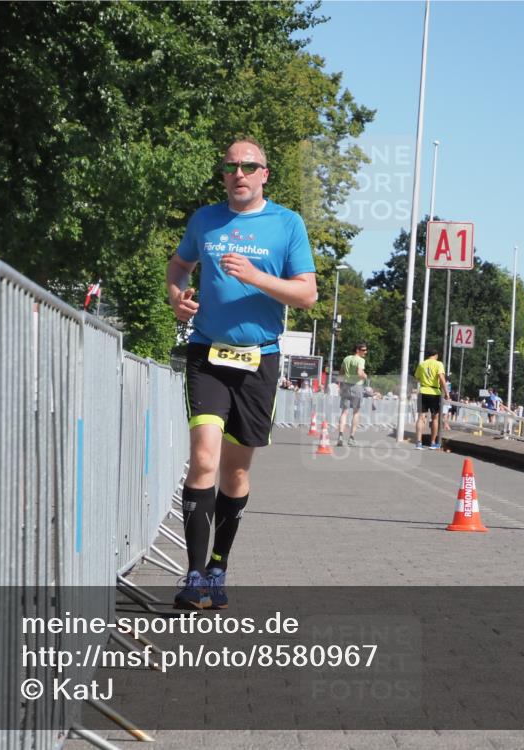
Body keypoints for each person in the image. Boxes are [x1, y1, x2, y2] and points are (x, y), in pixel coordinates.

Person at [166, 137, 317, 609]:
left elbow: (306, 295)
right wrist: (178, 297)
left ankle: (217, 566)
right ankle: (192, 576)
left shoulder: (287, 224)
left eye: (249, 166)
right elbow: (179, 265)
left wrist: (254, 277)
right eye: (231, 166)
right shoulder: (206, 219)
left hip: (259, 359)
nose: (239, 174)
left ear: (264, 174)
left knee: (234, 473)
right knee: (204, 459)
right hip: (207, 352)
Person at [414, 349, 447, 450]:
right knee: (435, 418)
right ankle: (432, 443)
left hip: (423, 391)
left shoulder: (422, 364)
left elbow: (417, 377)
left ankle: (419, 442)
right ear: (436, 355)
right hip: (434, 392)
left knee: (421, 417)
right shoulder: (438, 364)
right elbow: (441, 377)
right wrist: (446, 392)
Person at [337, 343, 368, 447]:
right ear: (357, 350)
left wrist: (340, 384)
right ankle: (351, 438)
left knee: (344, 411)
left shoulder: (346, 358)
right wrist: (365, 376)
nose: (365, 352)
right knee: (356, 412)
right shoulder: (360, 360)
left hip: (345, 385)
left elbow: (341, 372)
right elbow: (360, 373)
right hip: (356, 386)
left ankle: (340, 435)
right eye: (363, 350)